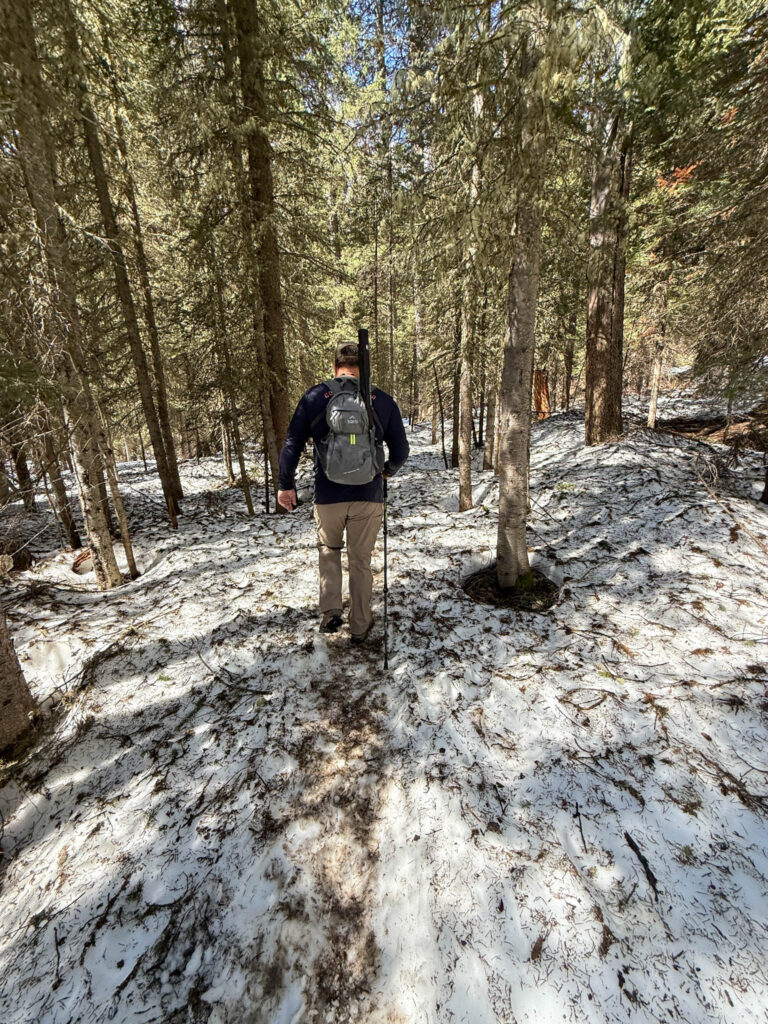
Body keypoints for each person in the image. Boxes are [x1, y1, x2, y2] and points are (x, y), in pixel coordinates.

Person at [277, 342, 409, 642]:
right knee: (360, 562)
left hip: (328, 497)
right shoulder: (382, 400)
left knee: (329, 552)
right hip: (368, 495)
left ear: (336, 368)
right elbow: (401, 450)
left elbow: (292, 444)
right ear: (363, 369)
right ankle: (360, 625)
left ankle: (331, 612)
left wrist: (286, 485)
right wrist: (386, 471)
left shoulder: (314, 396)